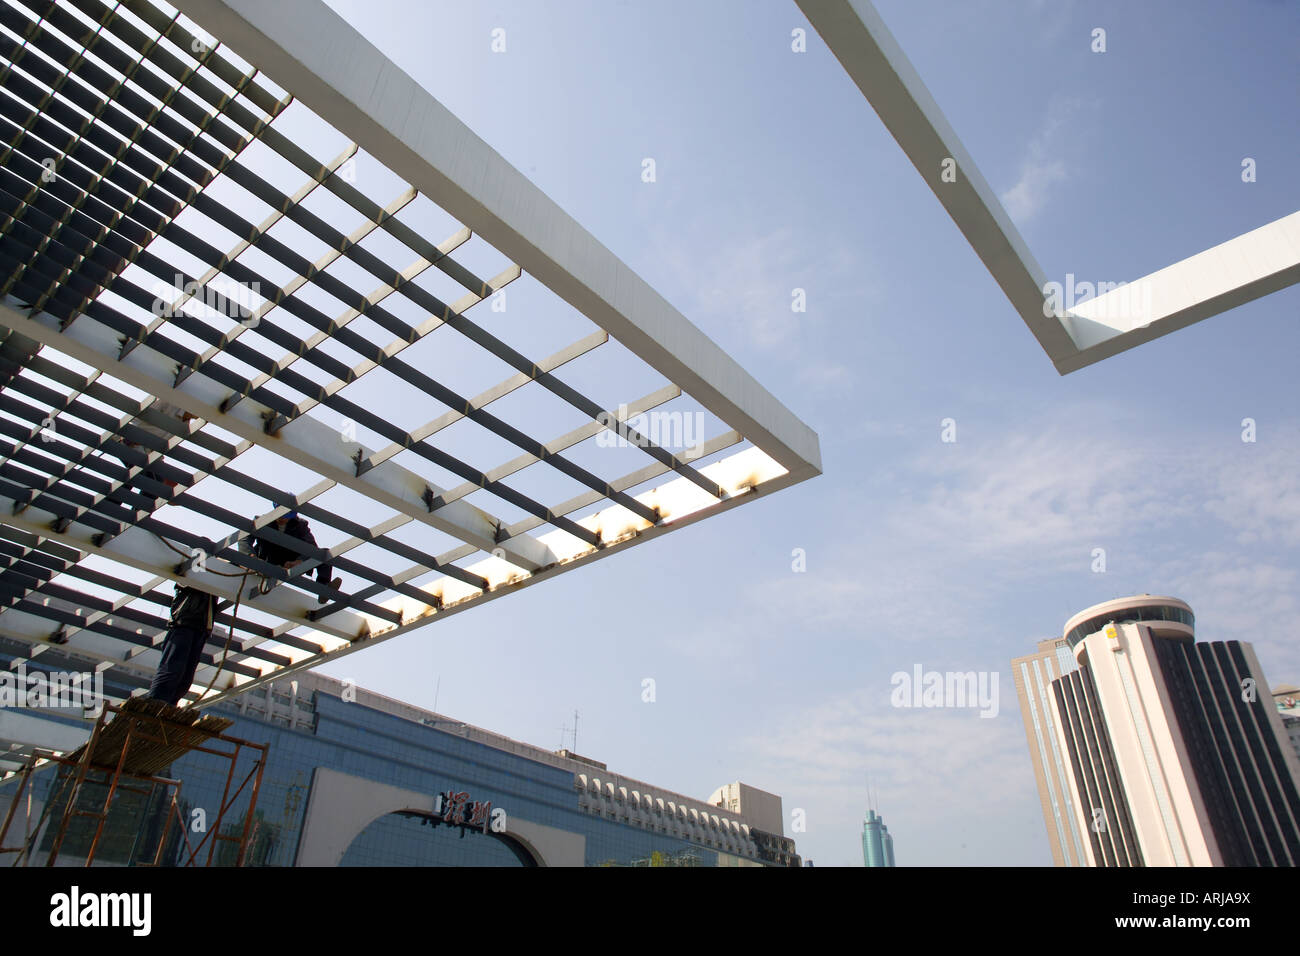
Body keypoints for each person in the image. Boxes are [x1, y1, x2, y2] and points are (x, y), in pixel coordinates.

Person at [147, 583, 217, 707]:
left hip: (201, 629)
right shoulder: (194, 571)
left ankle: (169, 705)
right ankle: (156, 703)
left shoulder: (215, 581)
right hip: (183, 623)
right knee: (172, 669)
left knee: (185, 678)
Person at [251, 510, 342, 604]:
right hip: (268, 559)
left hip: (291, 561)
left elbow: (312, 547)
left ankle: (323, 588)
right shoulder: (262, 521)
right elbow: (245, 540)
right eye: (280, 515)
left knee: (324, 554)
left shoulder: (300, 525)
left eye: (285, 516)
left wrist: (300, 561)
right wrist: (250, 557)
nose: (282, 519)